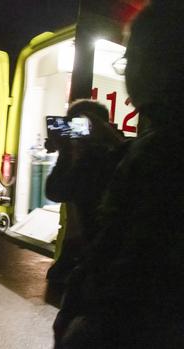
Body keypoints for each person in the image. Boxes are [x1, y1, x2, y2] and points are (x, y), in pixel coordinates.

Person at [54, 2, 184, 347]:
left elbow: (132, 277)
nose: (127, 72)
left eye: (130, 59)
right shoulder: (139, 150)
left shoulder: (153, 156)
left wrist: (82, 330)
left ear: (158, 63)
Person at [44, 99, 125, 284]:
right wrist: (67, 151)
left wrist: (67, 153)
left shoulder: (103, 158)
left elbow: (57, 192)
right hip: (85, 246)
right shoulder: (101, 153)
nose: (76, 132)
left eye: (81, 125)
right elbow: (56, 192)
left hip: (99, 250)